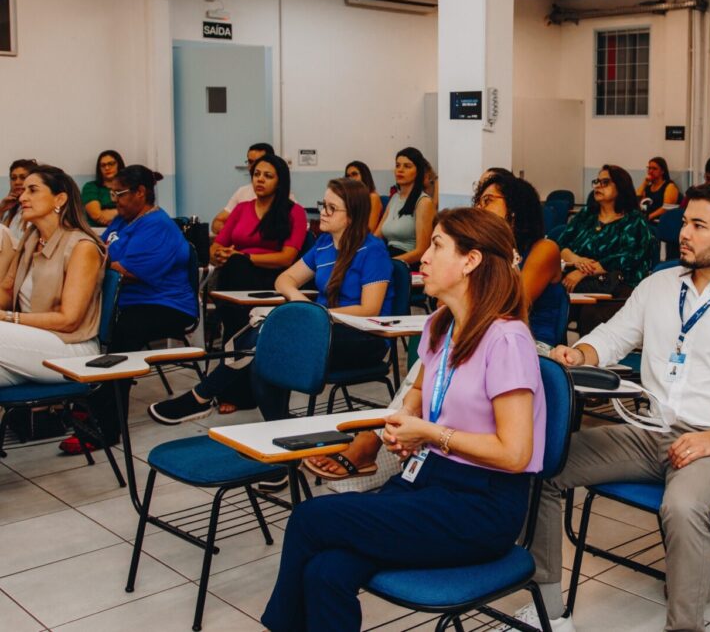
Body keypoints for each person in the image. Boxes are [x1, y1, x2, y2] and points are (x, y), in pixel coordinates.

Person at [520, 183, 710, 632]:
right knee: (543, 466)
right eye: (685, 222)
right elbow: (614, 336)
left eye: (697, 225)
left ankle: (684, 627)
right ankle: (547, 611)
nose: (683, 233)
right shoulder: (658, 286)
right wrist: (582, 353)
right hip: (648, 430)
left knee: (683, 507)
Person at [262, 207, 546, 631]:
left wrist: (430, 433)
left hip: (482, 505)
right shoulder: (441, 324)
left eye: (436, 246)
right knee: (327, 571)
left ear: (471, 261)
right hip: (428, 480)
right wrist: (404, 424)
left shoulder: (506, 339)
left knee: (309, 518)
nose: (422, 258)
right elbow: (417, 392)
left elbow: (515, 453)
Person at [150, 178, 393, 424]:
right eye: (323, 204)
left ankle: (201, 397)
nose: (322, 213)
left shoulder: (372, 250)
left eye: (331, 208)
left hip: (362, 338)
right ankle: (280, 427)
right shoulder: (324, 245)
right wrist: (304, 305)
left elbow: (369, 309)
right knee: (263, 357)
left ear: (351, 215)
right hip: (323, 330)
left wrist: (316, 314)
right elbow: (285, 279)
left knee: (268, 339)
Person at [72, 165, 199, 453]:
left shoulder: (158, 226)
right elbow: (102, 252)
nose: (114, 199)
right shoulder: (123, 220)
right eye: (113, 193)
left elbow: (123, 271)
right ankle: (89, 400)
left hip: (166, 304)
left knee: (124, 332)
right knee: (87, 321)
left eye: (119, 193)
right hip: (131, 301)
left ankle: (108, 424)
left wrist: (98, 260)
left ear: (141, 192)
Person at [0, 165, 105, 386]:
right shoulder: (31, 239)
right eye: (24, 190)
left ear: (59, 199)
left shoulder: (81, 247)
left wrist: (8, 318)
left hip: (71, 348)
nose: (22, 197)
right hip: (32, 343)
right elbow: (7, 291)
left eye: (33, 190)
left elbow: (69, 320)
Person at [211, 153, 308, 340]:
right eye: (257, 174)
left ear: (280, 182)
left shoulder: (294, 212)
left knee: (237, 263)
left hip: (272, 277)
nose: (260, 180)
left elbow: (286, 257)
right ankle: (237, 338)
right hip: (235, 272)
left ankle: (240, 339)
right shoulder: (242, 208)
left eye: (268, 176)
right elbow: (216, 245)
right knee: (233, 266)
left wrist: (244, 257)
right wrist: (219, 254)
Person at [557, 164, 656, 334]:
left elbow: (628, 258)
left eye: (605, 182)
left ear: (621, 187)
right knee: (551, 304)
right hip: (578, 281)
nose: (598, 186)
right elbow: (560, 245)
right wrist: (578, 260)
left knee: (590, 316)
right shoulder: (586, 215)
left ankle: (586, 357)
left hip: (619, 286)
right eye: (596, 181)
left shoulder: (633, 221)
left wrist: (583, 272)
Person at [474, 168, 565, 347]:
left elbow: (510, 305)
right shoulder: (484, 250)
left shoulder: (545, 249)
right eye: (478, 202)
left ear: (515, 208)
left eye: (487, 201)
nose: (478, 208)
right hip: (486, 338)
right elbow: (444, 303)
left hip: (531, 346)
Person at [374, 146, 435, 267]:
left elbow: (421, 251)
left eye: (407, 166)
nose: (400, 170)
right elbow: (376, 237)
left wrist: (389, 263)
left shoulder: (423, 202)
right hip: (389, 256)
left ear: (418, 172)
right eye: (397, 165)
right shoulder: (395, 198)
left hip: (407, 264)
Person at [211, 142, 276, 234]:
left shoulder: (284, 195)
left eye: (258, 162)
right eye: (250, 162)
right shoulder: (242, 192)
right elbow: (217, 222)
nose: (252, 167)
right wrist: (234, 235)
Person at [82, 150, 124, 227]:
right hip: (98, 232)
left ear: (119, 164)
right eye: (103, 165)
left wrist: (108, 212)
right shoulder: (91, 187)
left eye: (111, 164)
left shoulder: (128, 187)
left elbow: (137, 213)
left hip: (125, 231)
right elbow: (96, 215)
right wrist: (123, 214)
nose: (107, 168)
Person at [344, 160, 383, 231]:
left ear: (364, 176)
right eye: (348, 176)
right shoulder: (350, 198)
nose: (350, 178)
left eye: (354, 174)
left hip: (367, 239)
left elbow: (370, 229)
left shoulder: (373, 197)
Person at [637, 156, 680, 221]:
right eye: (649, 168)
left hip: (662, 221)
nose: (650, 171)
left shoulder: (670, 186)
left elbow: (666, 208)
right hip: (649, 221)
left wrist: (649, 217)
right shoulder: (648, 187)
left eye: (654, 169)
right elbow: (637, 199)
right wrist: (644, 183)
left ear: (662, 171)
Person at [3, 159, 34, 242]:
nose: (17, 182)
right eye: (13, 178)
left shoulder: (37, 209)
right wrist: (1, 210)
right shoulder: (14, 209)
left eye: (23, 177)